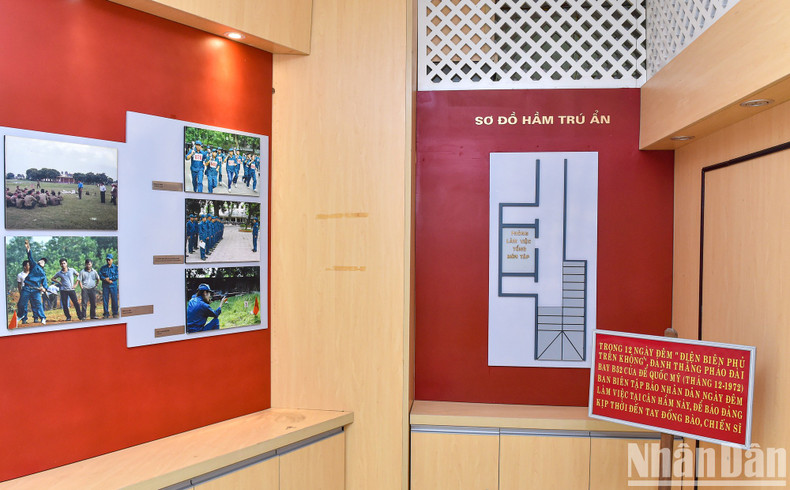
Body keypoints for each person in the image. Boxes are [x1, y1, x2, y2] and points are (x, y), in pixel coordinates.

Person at [18, 240, 48, 325]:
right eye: (41, 260)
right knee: (21, 303)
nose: (42, 261)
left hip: (36, 290)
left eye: (43, 261)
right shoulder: (34, 265)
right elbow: (30, 256)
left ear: (44, 264)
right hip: (27, 288)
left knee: (38, 304)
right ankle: (20, 316)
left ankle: (42, 318)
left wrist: (44, 289)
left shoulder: (43, 274)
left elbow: (45, 285)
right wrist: (28, 248)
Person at [99, 253, 119, 318]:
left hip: (113, 285)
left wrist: (110, 278)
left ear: (112, 260)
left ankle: (115, 313)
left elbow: (116, 276)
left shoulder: (116, 268)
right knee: (105, 300)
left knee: (114, 299)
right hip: (105, 286)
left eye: (109, 260)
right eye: (107, 260)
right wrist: (106, 279)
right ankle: (106, 313)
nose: (108, 261)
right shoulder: (103, 268)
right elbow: (100, 275)